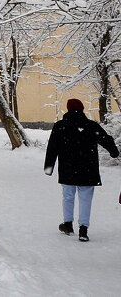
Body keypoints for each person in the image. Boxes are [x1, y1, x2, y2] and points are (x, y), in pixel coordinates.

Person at [44, 98, 120, 242]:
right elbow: (105, 139)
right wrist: (114, 152)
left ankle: (68, 224)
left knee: (68, 196)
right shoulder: (91, 125)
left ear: (68, 109)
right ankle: (83, 229)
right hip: (88, 169)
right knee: (85, 199)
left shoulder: (60, 126)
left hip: (68, 169)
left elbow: (52, 148)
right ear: (82, 109)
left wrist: (49, 167)